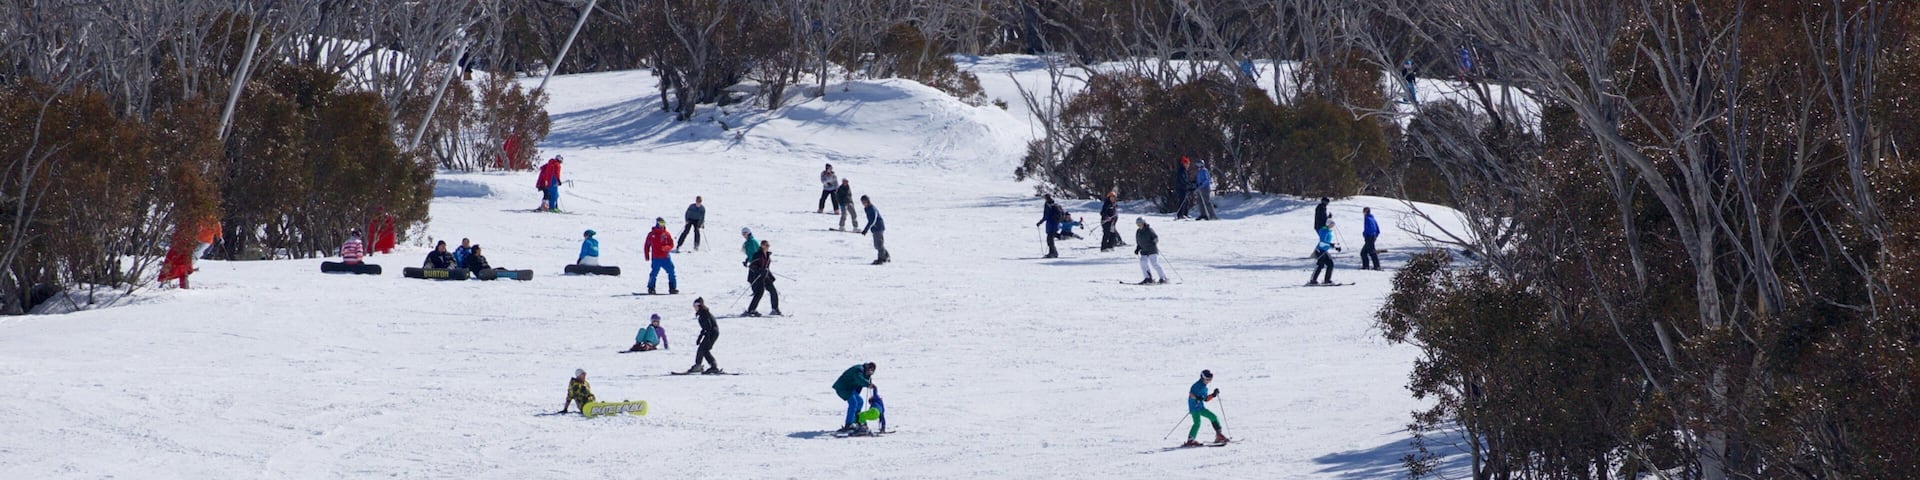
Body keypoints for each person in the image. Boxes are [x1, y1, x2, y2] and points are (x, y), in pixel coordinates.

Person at [1183, 370, 1227, 447]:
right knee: (1197, 423)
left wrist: (1213, 395)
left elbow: (1205, 399)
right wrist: (1197, 398)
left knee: (1213, 417)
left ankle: (1219, 436)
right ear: (1202, 378)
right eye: (1207, 379)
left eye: (1210, 379)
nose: (1209, 381)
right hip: (1194, 407)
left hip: (1200, 407)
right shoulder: (1196, 386)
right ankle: (1190, 440)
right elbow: (1191, 395)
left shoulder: (1204, 387)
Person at [833, 362, 878, 434]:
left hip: (850, 388)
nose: (869, 373)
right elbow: (858, 379)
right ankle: (849, 424)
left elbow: (858, 387)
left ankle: (857, 421)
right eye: (869, 371)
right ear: (868, 368)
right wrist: (868, 384)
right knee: (853, 402)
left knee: (860, 401)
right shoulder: (859, 369)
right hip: (842, 387)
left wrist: (868, 383)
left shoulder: (865, 374)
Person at [743, 240, 781, 317]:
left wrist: (770, 276)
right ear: (762, 246)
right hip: (758, 276)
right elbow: (752, 266)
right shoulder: (757, 255)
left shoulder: (767, 255)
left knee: (773, 291)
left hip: (765, 276)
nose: (768, 247)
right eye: (766, 245)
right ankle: (751, 310)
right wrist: (760, 270)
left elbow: (766, 268)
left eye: (768, 245)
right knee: (759, 292)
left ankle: (775, 309)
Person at [686, 298, 722, 374]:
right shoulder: (702, 313)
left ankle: (698, 365)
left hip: (712, 333)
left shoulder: (704, 314)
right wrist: (700, 338)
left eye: (695, 306)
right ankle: (713, 366)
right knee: (704, 350)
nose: (694, 308)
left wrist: (707, 338)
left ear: (700, 306)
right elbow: (705, 328)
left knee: (702, 349)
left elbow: (708, 327)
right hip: (712, 333)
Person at [644, 218, 678, 294]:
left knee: (671, 272)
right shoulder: (652, 234)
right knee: (654, 273)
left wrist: (666, 248)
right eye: (661, 223)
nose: (662, 225)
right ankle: (651, 288)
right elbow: (647, 245)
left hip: (666, 257)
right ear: (657, 224)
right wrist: (647, 255)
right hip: (656, 258)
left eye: (664, 223)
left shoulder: (666, 234)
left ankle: (672, 288)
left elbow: (671, 244)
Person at [859, 195, 890, 264]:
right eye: (862, 202)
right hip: (875, 228)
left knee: (879, 244)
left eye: (865, 202)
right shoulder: (867, 208)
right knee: (877, 245)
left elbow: (872, 220)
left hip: (878, 227)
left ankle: (881, 259)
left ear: (868, 201)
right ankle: (886, 256)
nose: (864, 203)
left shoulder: (872, 208)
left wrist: (866, 229)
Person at [1135, 218, 1167, 284]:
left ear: (1144, 223)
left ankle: (1163, 277)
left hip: (1152, 249)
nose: (1139, 225)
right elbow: (1139, 242)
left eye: (1140, 224)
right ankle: (1148, 278)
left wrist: (1155, 240)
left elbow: (1155, 237)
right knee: (1143, 263)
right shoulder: (1138, 231)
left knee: (1154, 263)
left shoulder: (1149, 230)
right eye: (1138, 224)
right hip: (1144, 251)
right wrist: (1137, 248)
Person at [1310, 220, 1341, 285]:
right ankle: (1313, 280)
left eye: (1333, 224)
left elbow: (1327, 243)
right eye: (1332, 224)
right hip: (1319, 250)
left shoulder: (1328, 231)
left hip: (1324, 251)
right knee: (1320, 265)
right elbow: (1322, 243)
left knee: (1330, 264)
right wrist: (1333, 246)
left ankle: (1327, 280)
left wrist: (1335, 246)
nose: (1333, 226)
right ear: (1328, 224)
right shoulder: (1324, 231)